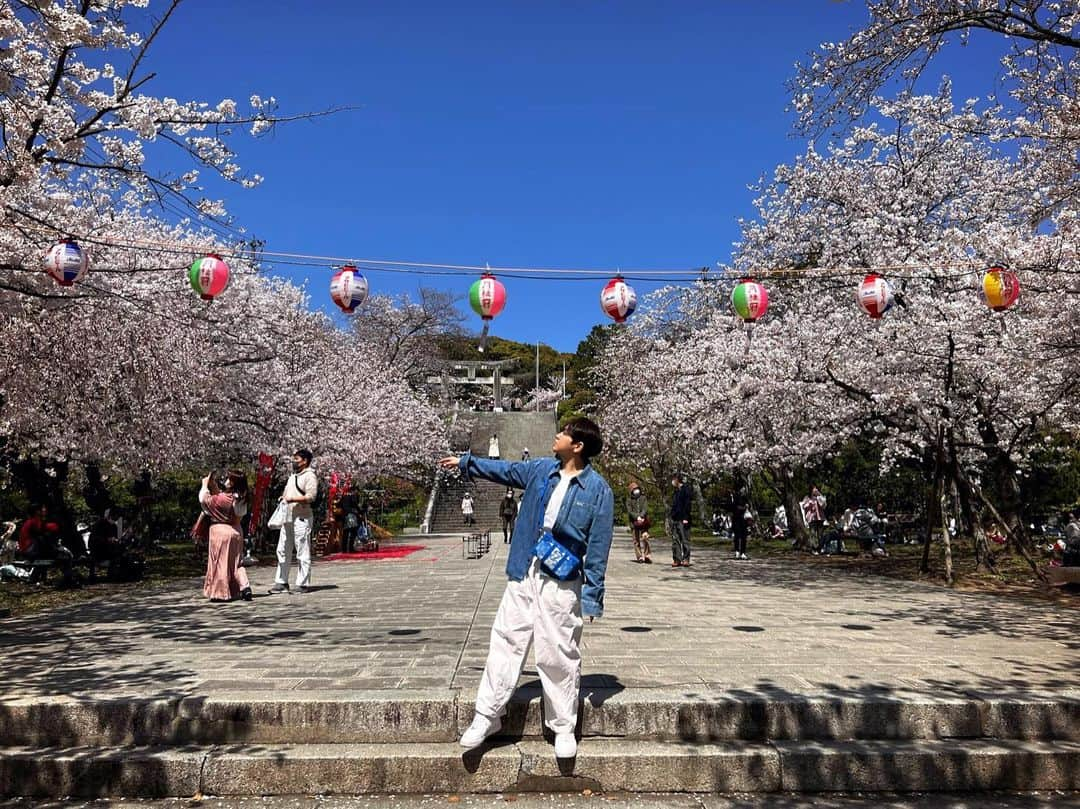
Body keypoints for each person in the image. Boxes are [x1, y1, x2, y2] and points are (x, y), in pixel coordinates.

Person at [438, 417, 614, 761]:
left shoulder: (598, 490)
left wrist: (592, 596)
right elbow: (504, 470)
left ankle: (563, 726)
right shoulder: (539, 471)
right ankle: (487, 715)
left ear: (577, 446)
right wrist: (466, 463)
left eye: (563, 433)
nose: (557, 435)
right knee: (506, 639)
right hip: (525, 570)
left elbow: (598, 547)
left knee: (557, 651)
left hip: (562, 580)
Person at [270, 449, 318, 595]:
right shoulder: (293, 476)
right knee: (283, 548)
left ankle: (303, 583)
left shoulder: (309, 476)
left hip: (302, 517)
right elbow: (287, 492)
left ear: (305, 461)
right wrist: (283, 498)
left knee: (302, 549)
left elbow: (311, 496)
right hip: (288, 516)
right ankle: (281, 581)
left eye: (297, 459)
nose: (294, 461)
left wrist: (293, 499)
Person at [201, 470, 253, 602]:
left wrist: (204, 485)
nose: (226, 480)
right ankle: (244, 586)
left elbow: (205, 500)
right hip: (236, 531)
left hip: (220, 532)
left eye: (229, 478)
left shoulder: (225, 498)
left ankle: (221, 591)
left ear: (233, 482)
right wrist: (214, 486)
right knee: (237, 563)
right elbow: (220, 497)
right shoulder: (241, 497)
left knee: (220, 563)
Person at [16, 504, 74, 585]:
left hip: (29, 550)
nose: (45, 509)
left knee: (61, 553)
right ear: (37, 511)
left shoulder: (31, 521)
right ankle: (68, 579)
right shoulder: (34, 521)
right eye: (42, 508)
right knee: (65, 555)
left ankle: (33, 578)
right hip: (31, 550)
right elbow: (42, 536)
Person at [669, 473, 693, 567]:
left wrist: (686, 518)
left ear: (677, 480)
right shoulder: (676, 492)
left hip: (683, 519)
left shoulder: (686, 490)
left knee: (684, 539)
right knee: (676, 540)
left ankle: (686, 559)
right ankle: (677, 559)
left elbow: (688, 505)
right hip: (675, 519)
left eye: (674, 479)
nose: (673, 482)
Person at [627, 484, 651, 562]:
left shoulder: (643, 498)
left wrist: (641, 516)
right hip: (634, 522)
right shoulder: (629, 500)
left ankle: (647, 555)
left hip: (644, 522)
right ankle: (639, 556)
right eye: (634, 489)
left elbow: (645, 508)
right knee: (636, 540)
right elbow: (630, 511)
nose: (636, 490)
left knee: (645, 538)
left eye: (637, 488)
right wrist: (637, 517)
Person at [801, 485, 827, 550]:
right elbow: (804, 506)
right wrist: (809, 503)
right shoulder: (807, 497)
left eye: (816, 489)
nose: (815, 490)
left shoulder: (820, 497)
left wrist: (819, 496)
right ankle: (813, 548)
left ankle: (820, 548)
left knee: (820, 534)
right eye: (814, 489)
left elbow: (824, 505)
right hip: (811, 518)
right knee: (812, 534)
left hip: (820, 518)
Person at [730, 488, 750, 560]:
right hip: (736, 519)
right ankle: (737, 551)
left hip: (744, 520)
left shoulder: (745, 498)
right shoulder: (735, 497)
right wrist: (743, 508)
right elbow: (734, 507)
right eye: (742, 489)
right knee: (737, 535)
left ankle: (743, 552)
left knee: (744, 536)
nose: (744, 490)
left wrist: (746, 507)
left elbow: (748, 506)